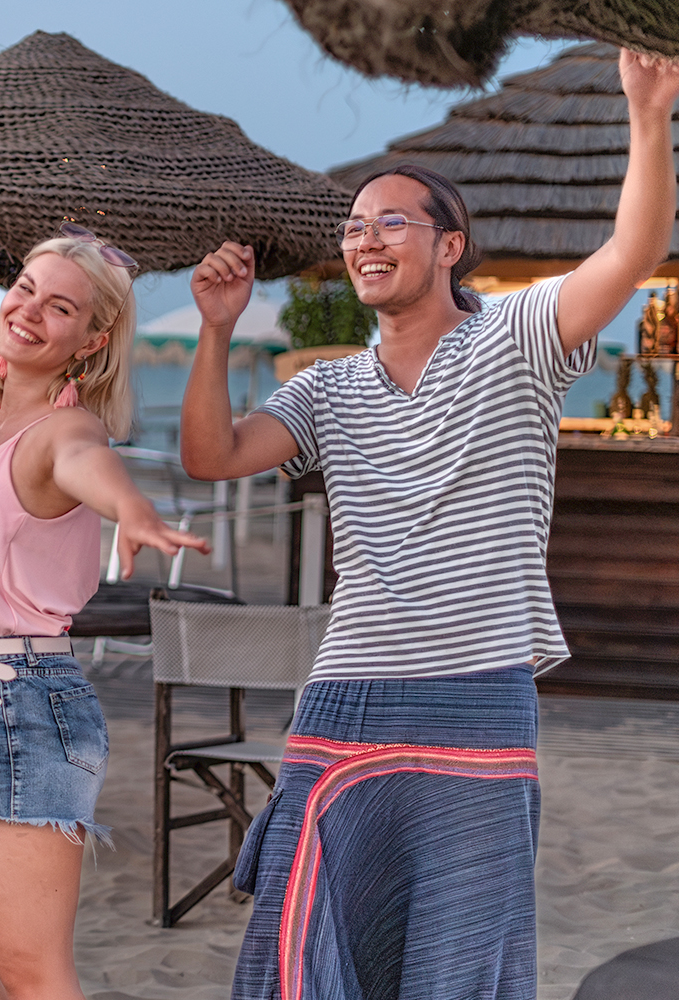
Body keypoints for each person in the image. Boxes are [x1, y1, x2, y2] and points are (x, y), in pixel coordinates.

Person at [181, 49, 679, 1000]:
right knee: (307, 949)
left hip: (476, 696)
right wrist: (214, 331)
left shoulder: (518, 339)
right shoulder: (325, 387)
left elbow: (631, 254)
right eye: (356, 227)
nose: (367, 241)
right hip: (345, 701)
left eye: (393, 223)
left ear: (449, 245)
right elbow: (210, 455)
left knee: (459, 958)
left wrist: (646, 116)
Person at [0, 48, 208, 1000]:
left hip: (23, 703)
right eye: (27, 291)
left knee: (31, 969)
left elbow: (95, 470)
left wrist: (138, 513)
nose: (29, 310)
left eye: (61, 307)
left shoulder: (64, 428)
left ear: (91, 341)